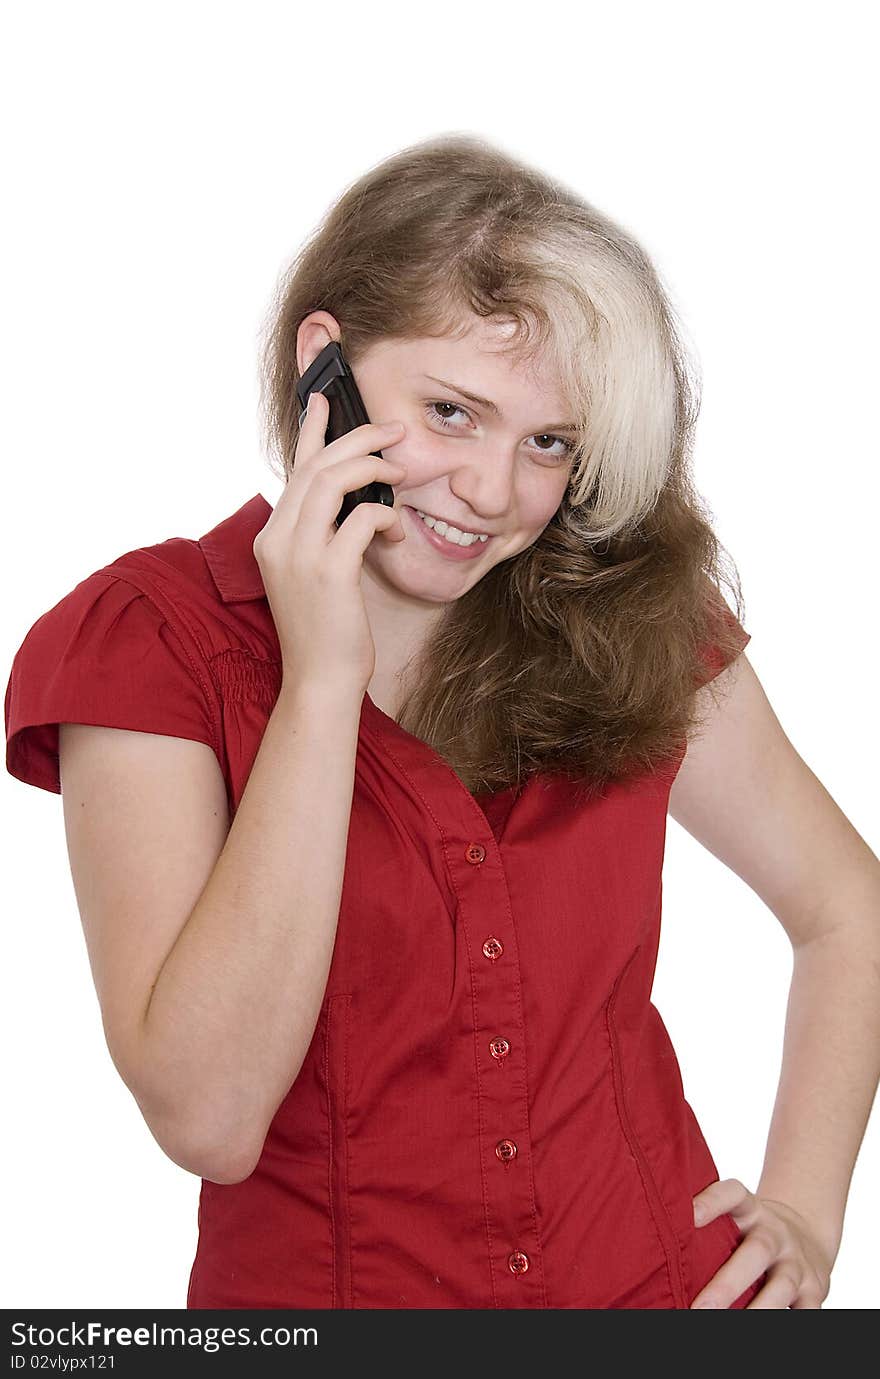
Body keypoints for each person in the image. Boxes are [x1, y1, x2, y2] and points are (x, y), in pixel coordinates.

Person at [5, 134, 878, 1311]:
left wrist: (807, 1215)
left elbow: (847, 911)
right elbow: (208, 1116)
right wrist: (321, 682)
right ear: (329, 369)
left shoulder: (635, 622)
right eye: (453, 411)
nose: (491, 490)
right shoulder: (155, 643)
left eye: (548, 443)